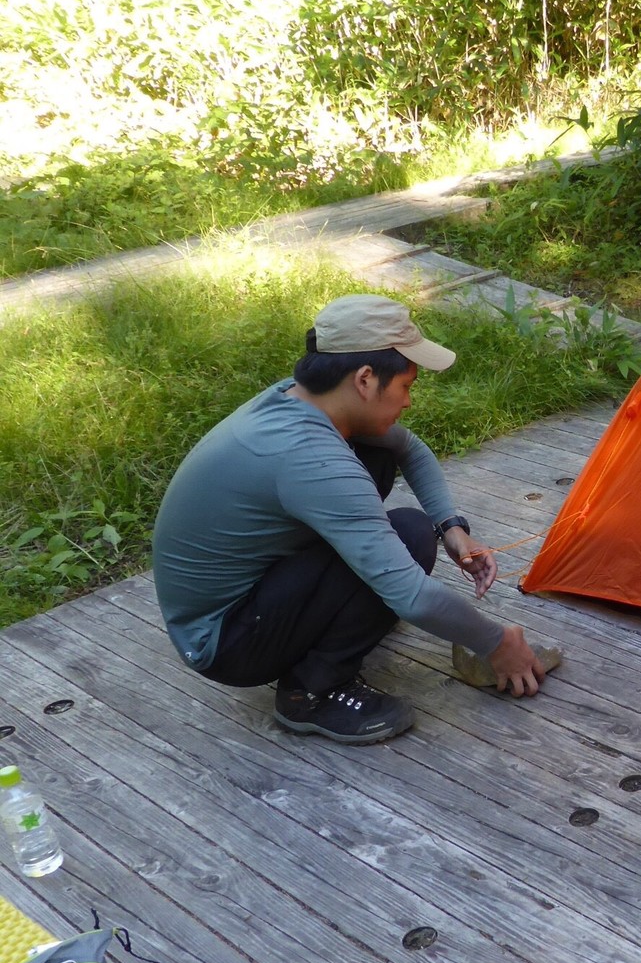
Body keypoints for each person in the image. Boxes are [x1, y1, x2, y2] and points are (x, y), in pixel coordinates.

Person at [152, 294, 548, 744]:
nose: (408, 402)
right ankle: (310, 692)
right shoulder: (311, 457)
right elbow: (413, 599)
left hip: (246, 598)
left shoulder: (299, 399)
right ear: (364, 379)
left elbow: (409, 448)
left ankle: (336, 622)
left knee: (396, 491)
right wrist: (498, 643)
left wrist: (452, 529)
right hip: (225, 642)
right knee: (409, 537)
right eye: (406, 386)